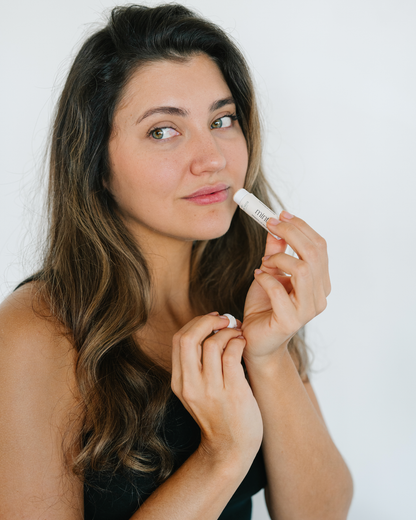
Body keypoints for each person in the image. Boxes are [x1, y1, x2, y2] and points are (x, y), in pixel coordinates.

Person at [0, 4, 353, 519]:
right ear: (96, 163)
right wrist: (222, 457)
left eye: (222, 119)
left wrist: (271, 358)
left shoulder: (246, 285)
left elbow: (320, 513)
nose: (212, 158)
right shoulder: (38, 331)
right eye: (163, 130)